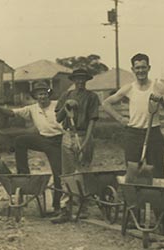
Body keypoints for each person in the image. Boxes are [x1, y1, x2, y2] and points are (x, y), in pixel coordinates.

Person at [103, 53, 164, 234]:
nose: (141, 71)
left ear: (149, 68)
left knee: (158, 175)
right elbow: (106, 103)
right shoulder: (129, 88)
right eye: (137, 68)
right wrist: (121, 119)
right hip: (134, 134)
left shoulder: (158, 87)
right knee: (133, 174)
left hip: (154, 134)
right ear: (133, 70)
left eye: (144, 67)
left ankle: (163, 219)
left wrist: (162, 102)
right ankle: (132, 216)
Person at [0, 81, 64, 214]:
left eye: (44, 94)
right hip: (43, 139)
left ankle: (57, 205)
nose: (42, 97)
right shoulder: (32, 108)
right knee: (20, 140)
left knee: (59, 172)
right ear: (35, 96)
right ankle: (23, 174)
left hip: (59, 140)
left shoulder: (57, 104)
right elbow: (11, 113)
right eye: (39, 94)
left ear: (48, 94)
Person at [51, 68, 100, 223]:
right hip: (68, 135)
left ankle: (82, 206)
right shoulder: (66, 96)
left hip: (84, 133)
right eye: (77, 79)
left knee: (83, 170)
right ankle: (65, 208)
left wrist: (85, 142)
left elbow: (92, 120)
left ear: (86, 80)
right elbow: (58, 118)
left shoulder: (92, 97)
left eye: (83, 79)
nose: (80, 82)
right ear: (73, 80)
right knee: (68, 173)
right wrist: (66, 107)